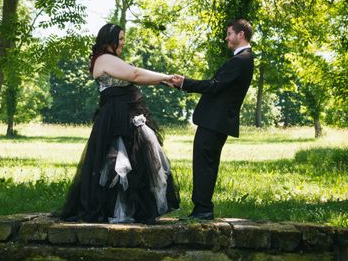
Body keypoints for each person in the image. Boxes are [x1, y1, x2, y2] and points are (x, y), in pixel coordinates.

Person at [60, 23, 180, 224]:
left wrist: (162, 80)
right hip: (116, 117)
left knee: (131, 163)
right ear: (109, 40)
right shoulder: (104, 58)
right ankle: (113, 209)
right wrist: (165, 77)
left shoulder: (111, 59)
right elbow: (134, 75)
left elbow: (136, 73)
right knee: (116, 163)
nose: (123, 42)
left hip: (124, 114)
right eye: (121, 39)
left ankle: (130, 209)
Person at [167, 18, 254, 220]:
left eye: (229, 33)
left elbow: (214, 86)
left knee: (204, 164)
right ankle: (201, 208)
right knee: (205, 163)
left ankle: (203, 209)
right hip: (216, 121)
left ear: (240, 35)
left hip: (215, 121)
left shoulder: (241, 61)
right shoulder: (242, 60)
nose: (227, 37)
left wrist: (184, 83)